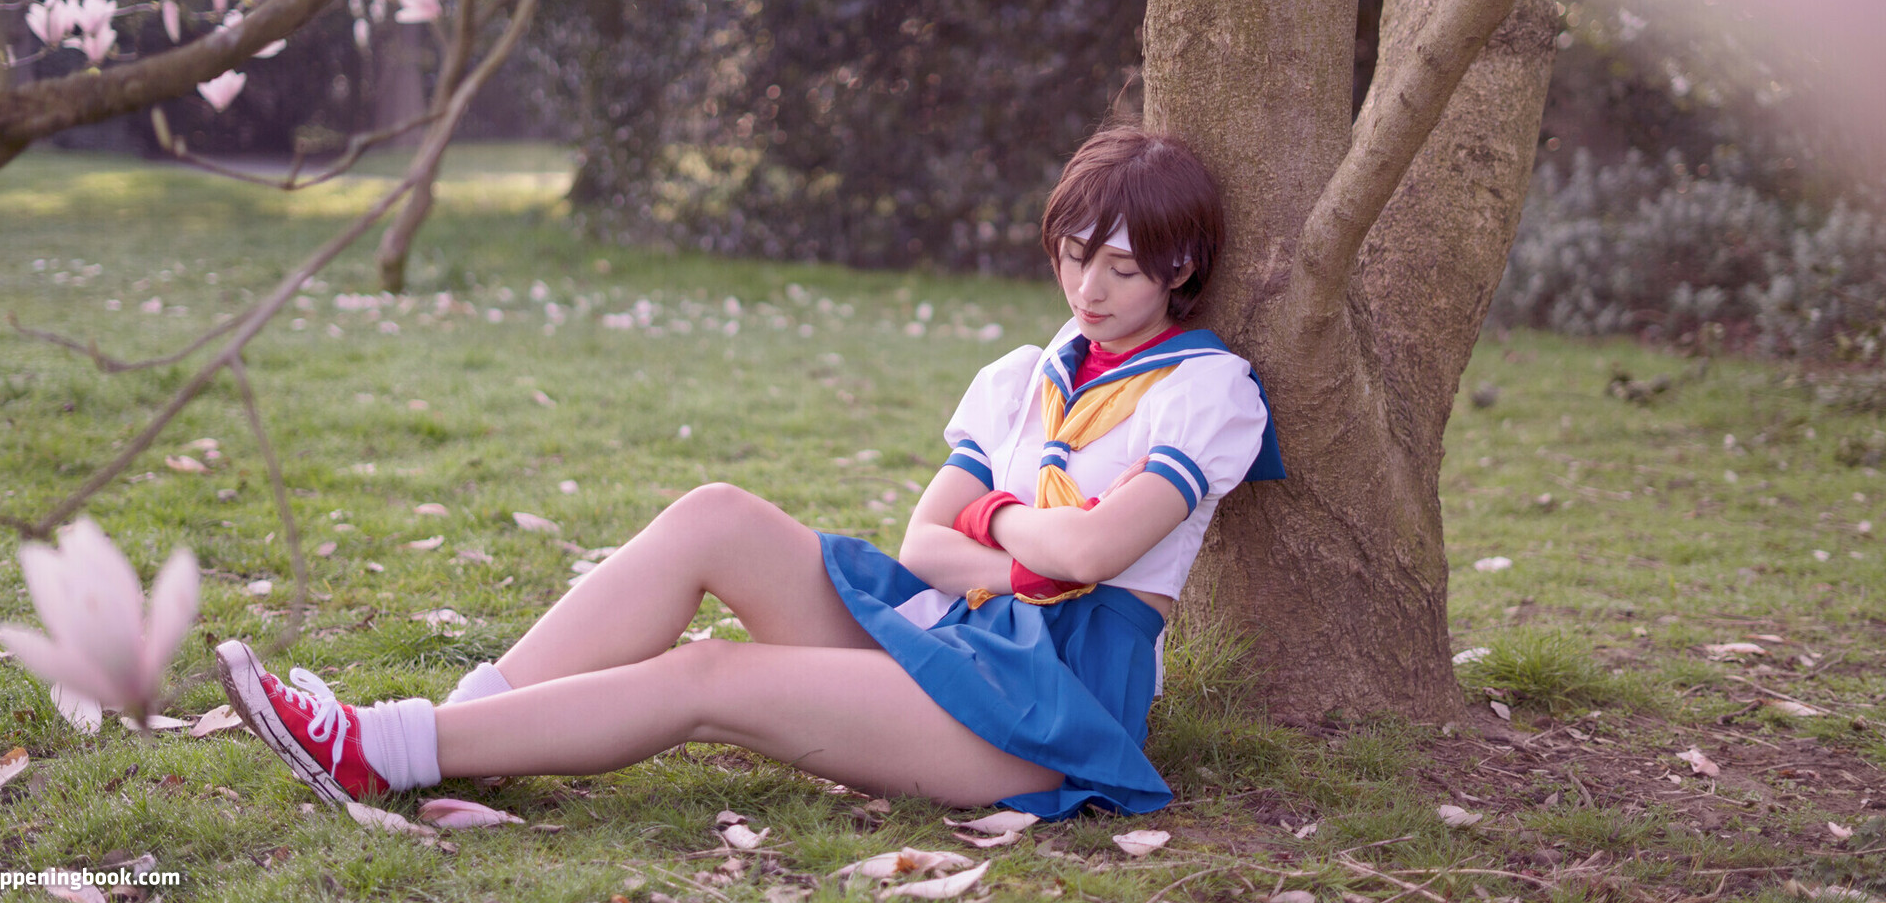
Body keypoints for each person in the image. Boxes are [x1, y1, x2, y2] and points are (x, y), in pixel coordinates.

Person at [216, 125, 1285, 818]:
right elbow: (925, 544)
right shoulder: (1028, 372)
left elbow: (1095, 552)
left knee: (710, 678)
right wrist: (1021, 543)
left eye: (1121, 268)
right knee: (714, 515)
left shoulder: (1208, 390)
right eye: (1073, 254)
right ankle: (458, 739)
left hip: (1051, 703)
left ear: (1180, 267)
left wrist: (994, 526)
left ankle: (381, 748)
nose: (1087, 288)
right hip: (962, 629)